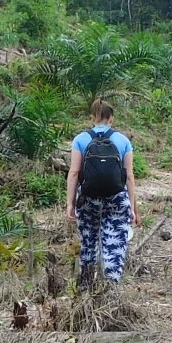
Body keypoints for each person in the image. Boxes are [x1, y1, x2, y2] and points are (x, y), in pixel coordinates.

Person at [64, 99, 138, 285]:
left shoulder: (80, 139)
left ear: (92, 118)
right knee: (114, 245)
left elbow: (73, 173)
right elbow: (129, 177)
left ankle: (86, 290)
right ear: (111, 118)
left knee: (88, 243)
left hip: (88, 199)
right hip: (116, 199)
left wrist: (70, 203)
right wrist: (133, 208)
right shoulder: (123, 141)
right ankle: (111, 290)